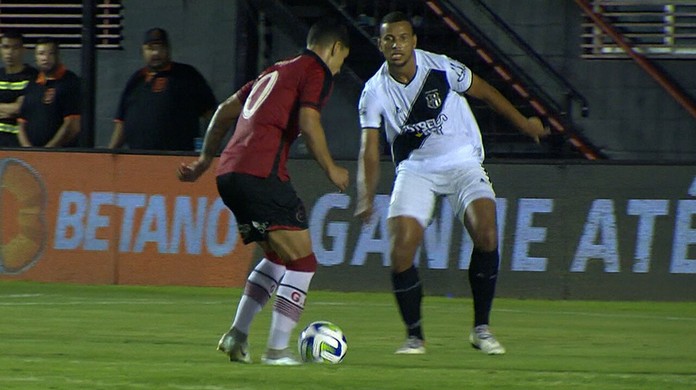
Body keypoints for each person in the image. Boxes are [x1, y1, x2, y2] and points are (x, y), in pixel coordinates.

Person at [355, 12, 549, 355]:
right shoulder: (374, 91)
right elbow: (369, 150)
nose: (396, 45)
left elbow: (487, 92)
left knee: (487, 233)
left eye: (402, 38)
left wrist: (525, 124)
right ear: (380, 44)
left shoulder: (442, 68)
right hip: (416, 169)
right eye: (389, 39)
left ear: (413, 41)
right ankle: (415, 337)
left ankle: (481, 329)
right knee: (400, 252)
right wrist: (366, 195)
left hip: (461, 160)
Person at [177, 20, 350, 365]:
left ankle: (237, 336)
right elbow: (308, 121)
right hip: (260, 174)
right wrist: (331, 168)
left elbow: (226, 111)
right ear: (332, 49)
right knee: (303, 260)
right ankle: (277, 351)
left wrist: (203, 161)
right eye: (341, 60)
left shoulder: (276, 69)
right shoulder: (315, 70)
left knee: (275, 257)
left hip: (230, 175)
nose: (338, 68)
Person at [109, 27, 217, 151]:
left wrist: (209, 150)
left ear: (168, 49)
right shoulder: (136, 80)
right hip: (138, 158)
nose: (155, 53)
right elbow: (121, 123)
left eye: (160, 47)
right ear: (143, 51)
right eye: (150, 48)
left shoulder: (187, 75)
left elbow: (211, 114)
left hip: (176, 158)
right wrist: (110, 153)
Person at [17, 38, 80, 147]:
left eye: (50, 53)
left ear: (58, 55)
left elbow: (72, 125)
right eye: (41, 54)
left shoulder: (70, 82)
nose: (45, 58)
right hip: (30, 156)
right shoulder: (32, 84)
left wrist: (48, 151)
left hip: (60, 156)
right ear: (36, 57)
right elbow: (21, 122)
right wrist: (28, 149)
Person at [0, 30, 38, 147]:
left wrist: (15, 109)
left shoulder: (33, 76)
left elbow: (20, 108)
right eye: (6, 47)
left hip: (19, 143)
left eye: (15, 48)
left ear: (23, 50)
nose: (9, 52)